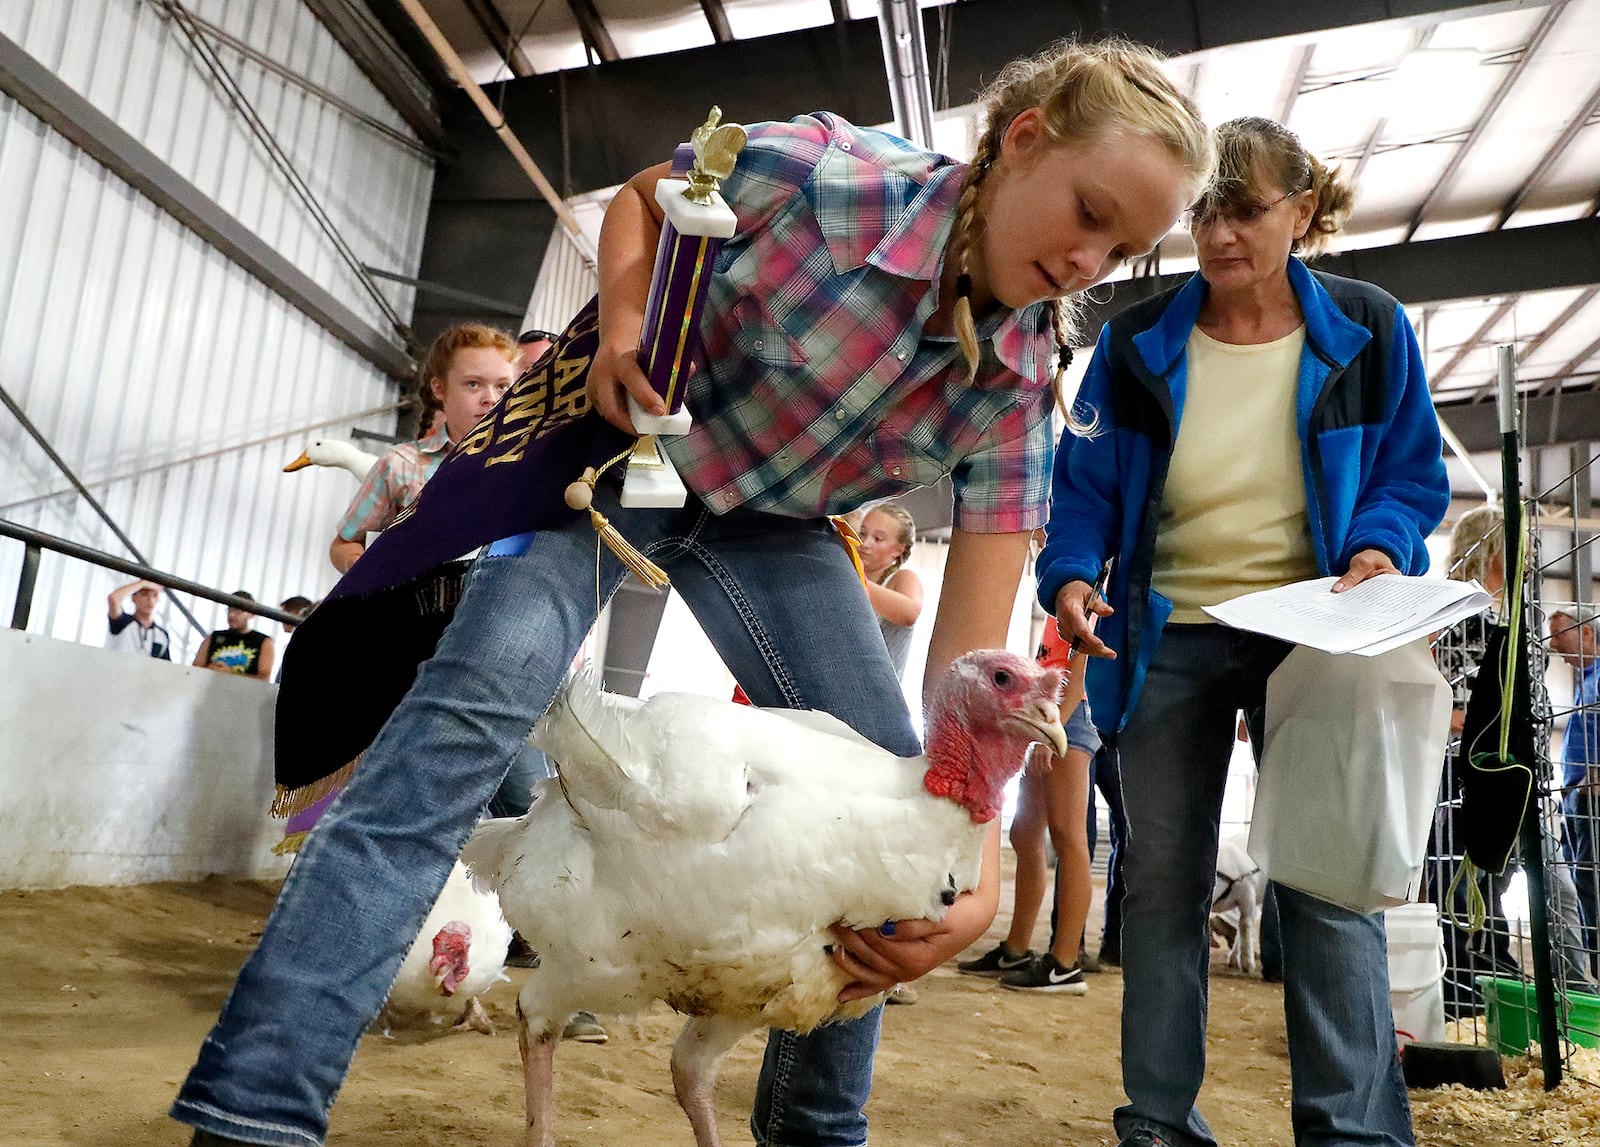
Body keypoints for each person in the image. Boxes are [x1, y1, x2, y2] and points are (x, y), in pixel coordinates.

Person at [174, 38, 1213, 1147]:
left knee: (896, 819)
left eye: (1125, 249)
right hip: (615, 465)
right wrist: (624, 326)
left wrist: (960, 892)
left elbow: (969, 679)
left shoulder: (1016, 385)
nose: (1087, 260)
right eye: (1088, 212)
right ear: (1022, 140)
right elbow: (645, 197)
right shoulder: (830, 178)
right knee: (452, 739)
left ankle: (817, 1130)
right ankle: (253, 1113)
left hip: (772, 526)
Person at [1038, 115, 1450, 1147]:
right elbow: (1083, 484)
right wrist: (1073, 575)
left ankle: (1350, 1130)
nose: (1220, 235)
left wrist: (1377, 544)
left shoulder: (1368, 327)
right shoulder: (1135, 340)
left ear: (1300, 211)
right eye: (1205, 211)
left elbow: (1410, 476)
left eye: (1246, 209)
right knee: (1161, 888)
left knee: (1325, 882)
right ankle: (1160, 1122)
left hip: (1316, 637)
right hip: (1168, 629)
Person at [958, 614, 1099, 993]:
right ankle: (1016, 949)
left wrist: (1051, 729)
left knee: (1069, 835)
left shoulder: (1088, 591)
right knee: (1024, 832)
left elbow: (1079, 670)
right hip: (1050, 712)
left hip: (1070, 714)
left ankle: (1065, 963)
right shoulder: (1061, 597)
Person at [329, 323, 519, 574]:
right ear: (439, 388)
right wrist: (365, 571)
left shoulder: (531, 464)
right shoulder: (400, 464)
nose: (491, 398)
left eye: (503, 386)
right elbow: (345, 542)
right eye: (473, 384)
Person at [1550, 605, 1600, 977]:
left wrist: (1590, 783)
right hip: (1575, 798)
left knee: (1591, 888)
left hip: (1589, 799)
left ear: (1586, 634)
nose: (1553, 646)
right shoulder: (1586, 679)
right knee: (1581, 888)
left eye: (1560, 636)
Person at [193, 593, 275, 680]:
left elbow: (264, 678)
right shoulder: (214, 637)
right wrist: (209, 670)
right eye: (229, 610)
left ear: (252, 614)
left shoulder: (263, 642)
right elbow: (195, 669)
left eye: (238, 610)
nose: (231, 614)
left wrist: (230, 675)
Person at [105, 578, 172, 660]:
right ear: (133, 598)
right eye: (144, 594)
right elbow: (114, 598)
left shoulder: (162, 635)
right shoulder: (123, 622)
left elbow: (166, 667)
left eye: (155, 595)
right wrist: (144, 583)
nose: (150, 600)